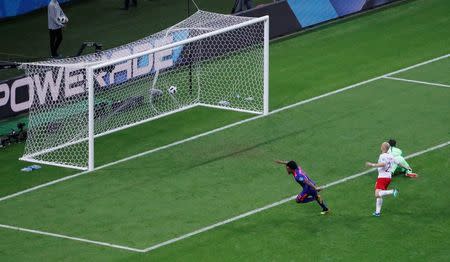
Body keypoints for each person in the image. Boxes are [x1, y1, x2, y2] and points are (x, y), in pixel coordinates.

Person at [366, 142, 410, 217]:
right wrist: (406, 167)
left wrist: (372, 165)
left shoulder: (382, 156)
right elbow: (398, 163)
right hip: (388, 177)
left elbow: (383, 164)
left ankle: (392, 191)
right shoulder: (391, 156)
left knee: (377, 194)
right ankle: (377, 212)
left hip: (382, 177)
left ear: (382, 148)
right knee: (379, 194)